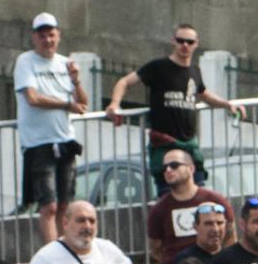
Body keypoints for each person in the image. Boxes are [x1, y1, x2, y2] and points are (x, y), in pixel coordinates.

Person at [104, 22, 244, 189]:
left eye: (189, 42)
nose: (185, 45)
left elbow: (203, 94)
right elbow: (125, 81)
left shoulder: (195, 71)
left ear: (196, 44)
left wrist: (228, 105)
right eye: (180, 40)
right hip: (165, 143)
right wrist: (114, 104)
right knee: (168, 195)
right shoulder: (158, 67)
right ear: (173, 42)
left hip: (189, 144)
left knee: (198, 190)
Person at [13, 14, 86, 244]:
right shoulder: (26, 61)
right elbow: (32, 98)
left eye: (51, 35)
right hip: (38, 142)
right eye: (42, 36)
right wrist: (65, 104)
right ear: (34, 38)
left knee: (65, 205)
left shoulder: (65, 63)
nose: (47, 40)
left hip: (64, 140)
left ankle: (66, 249)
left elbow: (82, 104)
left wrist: (76, 81)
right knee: (49, 205)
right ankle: (52, 255)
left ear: (58, 36)